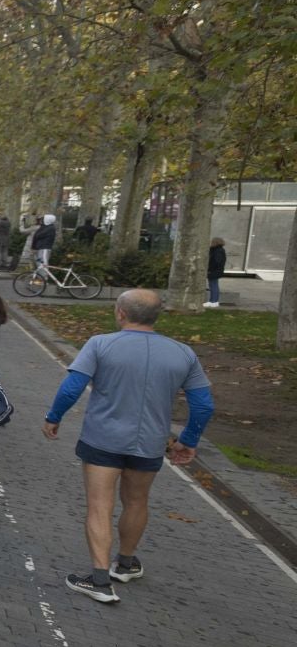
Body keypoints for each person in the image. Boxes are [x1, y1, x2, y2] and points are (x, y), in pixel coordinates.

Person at [42, 289, 214, 603]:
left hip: (102, 439)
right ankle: (125, 562)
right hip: (149, 442)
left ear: (121, 313)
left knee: (99, 506)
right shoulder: (183, 353)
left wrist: (54, 417)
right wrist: (188, 440)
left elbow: (73, 386)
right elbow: (203, 406)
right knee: (136, 502)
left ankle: (98, 580)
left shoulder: (100, 344)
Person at [206, 238, 227, 308]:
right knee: (213, 285)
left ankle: (213, 301)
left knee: (213, 285)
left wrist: (210, 269)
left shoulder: (218, 251)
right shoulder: (219, 250)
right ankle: (213, 301)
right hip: (216, 270)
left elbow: (216, 262)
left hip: (214, 271)